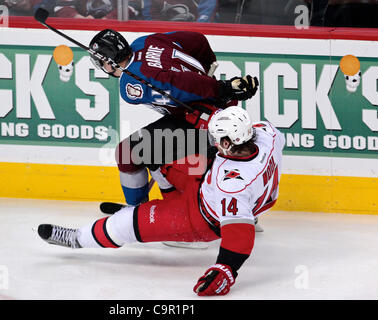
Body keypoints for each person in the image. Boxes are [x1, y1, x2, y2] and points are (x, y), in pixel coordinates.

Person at [37, 106, 285, 296]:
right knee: (155, 155)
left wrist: (226, 269)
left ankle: (77, 238)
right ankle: (156, 203)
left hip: (198, 218)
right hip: (207, 186)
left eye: (216, 140)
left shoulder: (231, 187)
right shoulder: (268, 135)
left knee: (123, 224)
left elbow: (239, 236)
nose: (212, 142)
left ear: (229, 143)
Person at [88, 29, 259, 206]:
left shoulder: (130, 84)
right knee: (144, 150)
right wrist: (214, 83)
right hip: (211, 110)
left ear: (107, 63)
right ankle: (236, 205)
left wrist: (220, 88)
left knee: (132, 154)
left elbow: (177, 84)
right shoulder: (145, 41)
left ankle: (138, 214)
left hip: (203, 119)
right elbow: (198, 40)